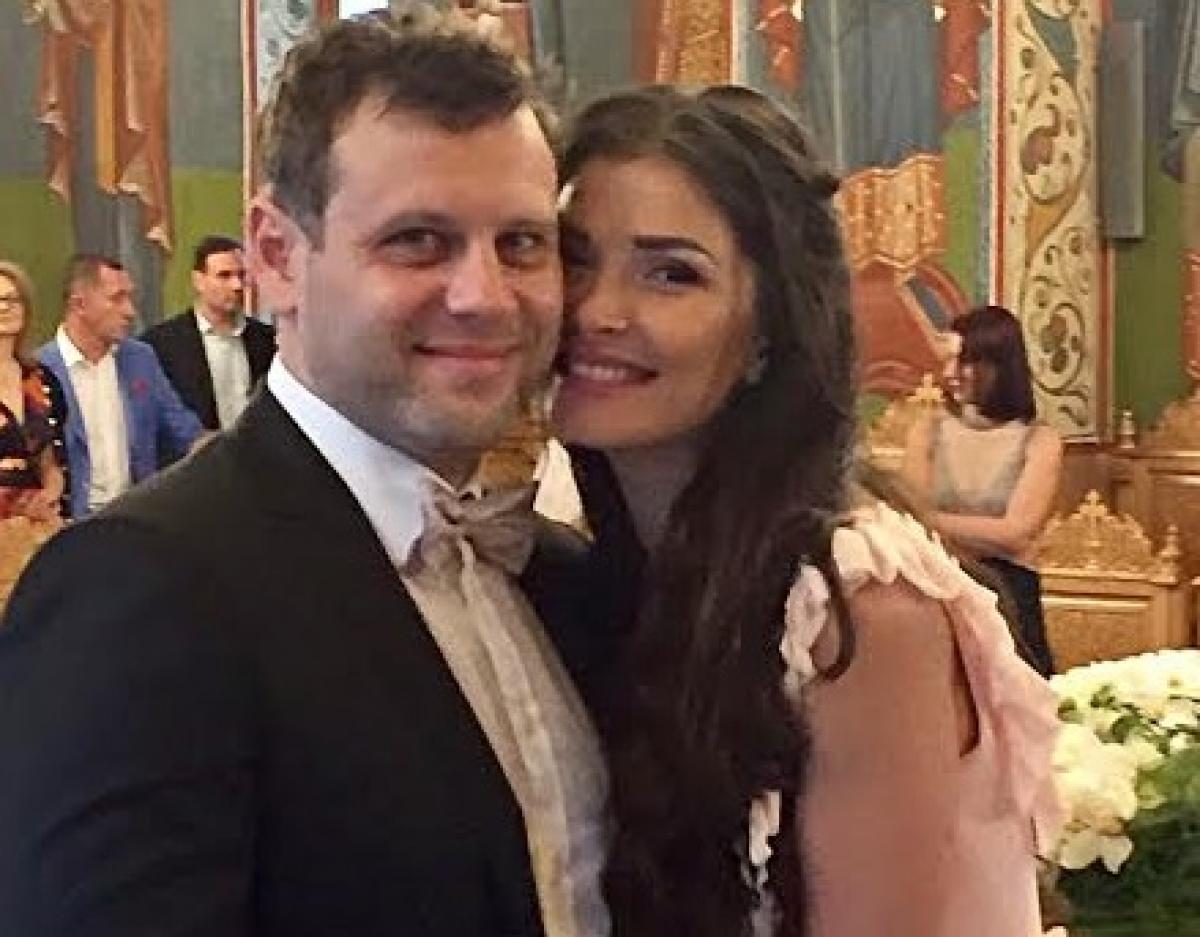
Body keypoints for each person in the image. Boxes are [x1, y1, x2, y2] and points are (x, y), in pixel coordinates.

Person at [0, 11, 609, 937]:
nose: (485, 296)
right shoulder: (142, 586)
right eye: (418, 240)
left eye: (522, 243)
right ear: (278, 256)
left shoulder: (553, 572)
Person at [553, 86, 1061, 937]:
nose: (596, 311)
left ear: (767, 330)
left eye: (671, 273)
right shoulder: (593, 563)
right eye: (573, 259)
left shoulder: (860, 609)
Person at [902, 304, 1062, 677]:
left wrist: (933, 521)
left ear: (998, 366)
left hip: (1008, 594)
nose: (950, 374)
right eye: (948, 361)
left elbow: (1017, 532)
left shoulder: (1039, 439)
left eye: (964, 363)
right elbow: (909, 514)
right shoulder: (928, 429)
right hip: (937, 583)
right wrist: (980, 532)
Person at [36, 254, 205, 518]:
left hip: (135, 518)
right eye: (117, 299)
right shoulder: (39, 372)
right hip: (69, 525)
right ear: (79, 305)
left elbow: (184, 430)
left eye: (130, 298)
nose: (130, 311)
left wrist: (228, 451)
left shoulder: (140, 359)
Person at [142, 235, 275, 431]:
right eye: (224, 276)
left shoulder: (267, 340)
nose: (237, 286)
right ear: (199, 281)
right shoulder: (162, 345)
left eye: (241, 275)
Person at [0, 260, 66, 522]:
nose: (4, 307)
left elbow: (50, 462)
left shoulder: (40, 379)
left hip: (35, 522)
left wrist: (50, 493)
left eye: (13, 300)